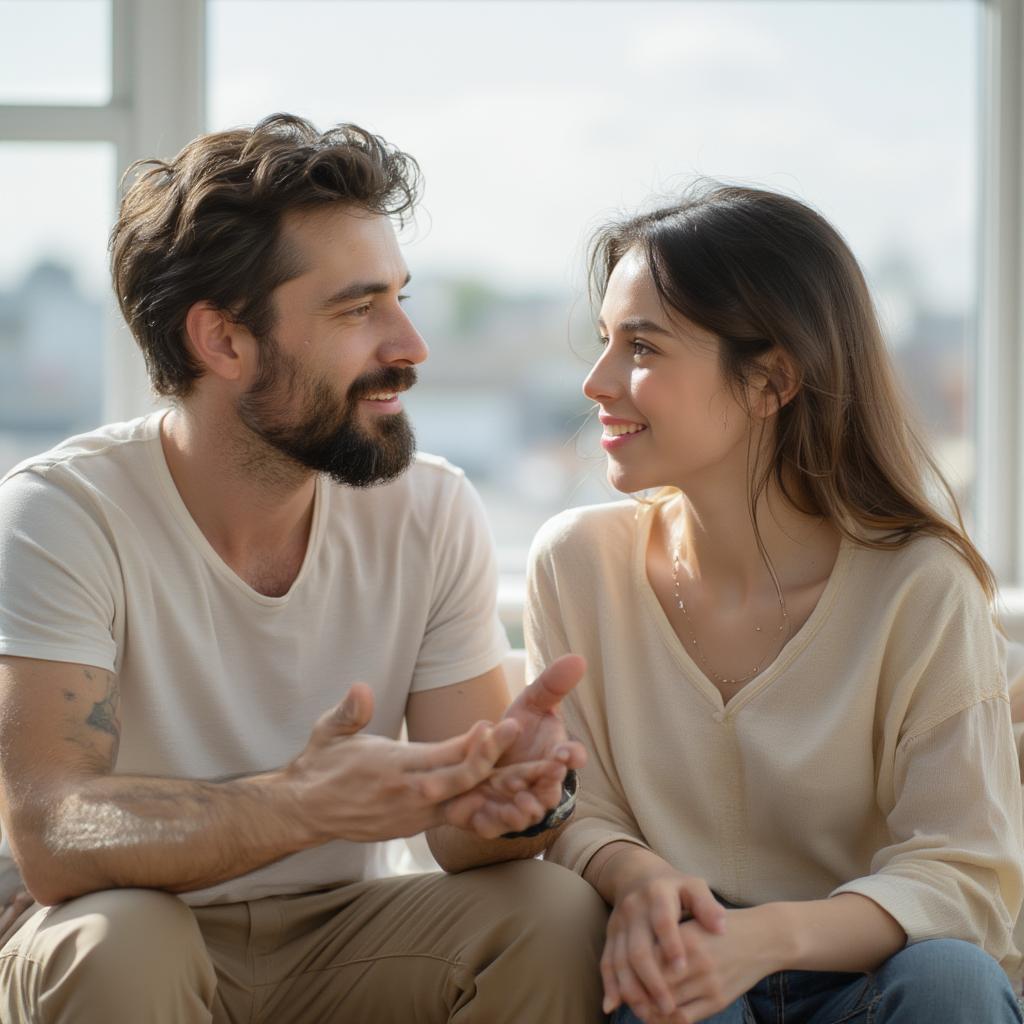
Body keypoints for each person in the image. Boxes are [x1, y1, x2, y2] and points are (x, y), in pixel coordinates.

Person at [0, 113, 607, 1024]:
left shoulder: (431, 507)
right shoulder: (62, 513)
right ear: (225, 342)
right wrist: (300, 806)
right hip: (135, 928)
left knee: (552, 911)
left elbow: (460, 836)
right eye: (359, 309)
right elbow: (53, 832)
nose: (410, 345)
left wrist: (519, 800)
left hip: (343, 934)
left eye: (400, 298)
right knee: (124, 940)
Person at [524, 184, 1024, 1023]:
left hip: (877, 973)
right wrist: (635, 874)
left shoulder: (920, 585)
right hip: (679, 969)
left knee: (952, 983)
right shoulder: (576, 565)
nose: (596, 381)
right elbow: (581, 809)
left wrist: (768, 939)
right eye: (606, 341)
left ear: (771, 380)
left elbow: (965, 873)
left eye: (641, 348)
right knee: (670, 1003)